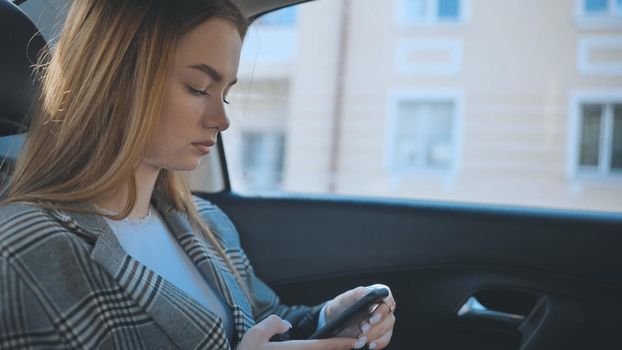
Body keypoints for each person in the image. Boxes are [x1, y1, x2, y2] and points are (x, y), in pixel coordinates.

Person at [0, 0, 396, 349]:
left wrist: (331, 319)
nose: (221, 119)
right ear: (118, 80)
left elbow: (265, 322)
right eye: (198, 87)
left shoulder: (206, 222)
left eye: (225, 94)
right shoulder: (22, 250)